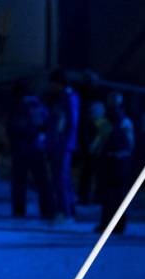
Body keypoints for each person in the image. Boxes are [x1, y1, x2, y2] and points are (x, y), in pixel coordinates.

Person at [8, 84, 53, 219]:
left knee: (19, 182)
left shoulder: (18, 107)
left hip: (21, 149)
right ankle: (47, 210)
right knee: (42, 182)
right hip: (38, 148)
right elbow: (48, 125)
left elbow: (12, 127)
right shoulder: (41, 107)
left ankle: (19, 210)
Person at [96, 92, 134, 234]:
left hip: (109, 159)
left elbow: (100, 140)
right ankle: (119, 224)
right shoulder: (126, 119)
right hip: (122, 160)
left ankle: (106, 223)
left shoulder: (104, 120)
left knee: (108, 194)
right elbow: (131, 141)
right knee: (119, 194)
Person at [47, 70, 80, 219]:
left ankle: (65, 211)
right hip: (58, 143)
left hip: (63, 144)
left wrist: (65, 143)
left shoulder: (69, 97)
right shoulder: (61, 97)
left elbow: (72, 122)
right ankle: (67, 209)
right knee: (60, 177)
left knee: (61, 177)